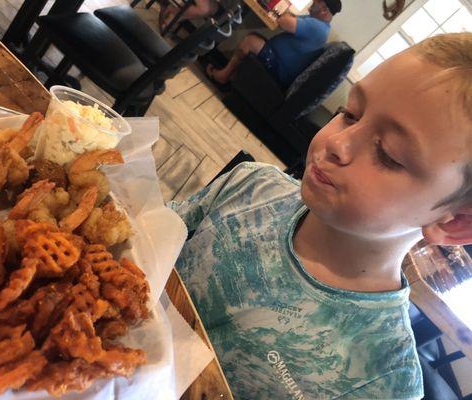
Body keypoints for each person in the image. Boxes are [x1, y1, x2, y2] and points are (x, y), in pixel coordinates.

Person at [169, 32, 472, 399]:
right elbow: (140, 244)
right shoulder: (248, 186)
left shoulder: (381, 379)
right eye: (350, 114)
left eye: (390, 155)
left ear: (454, 222)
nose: (336, 143)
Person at [206, 0, 341, 87]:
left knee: (251, 41)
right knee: (255, 37)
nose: (312, 3)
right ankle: (233, 77)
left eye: (316, 1)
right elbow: (290, 19)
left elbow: (284, 22)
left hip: (279, 69)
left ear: (324, 9)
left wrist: (286, 15)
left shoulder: (317, 27)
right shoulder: (317, 23)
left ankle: (223, 76)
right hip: (278, 60)